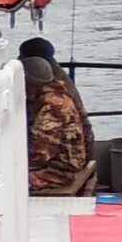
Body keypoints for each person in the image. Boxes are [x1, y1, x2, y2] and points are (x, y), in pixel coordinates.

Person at [22, 37, 97, 196]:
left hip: (62, 169)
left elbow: (39, 154)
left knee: (11, 181)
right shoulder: (56, 85)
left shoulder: (51, 105)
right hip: (69, 158)